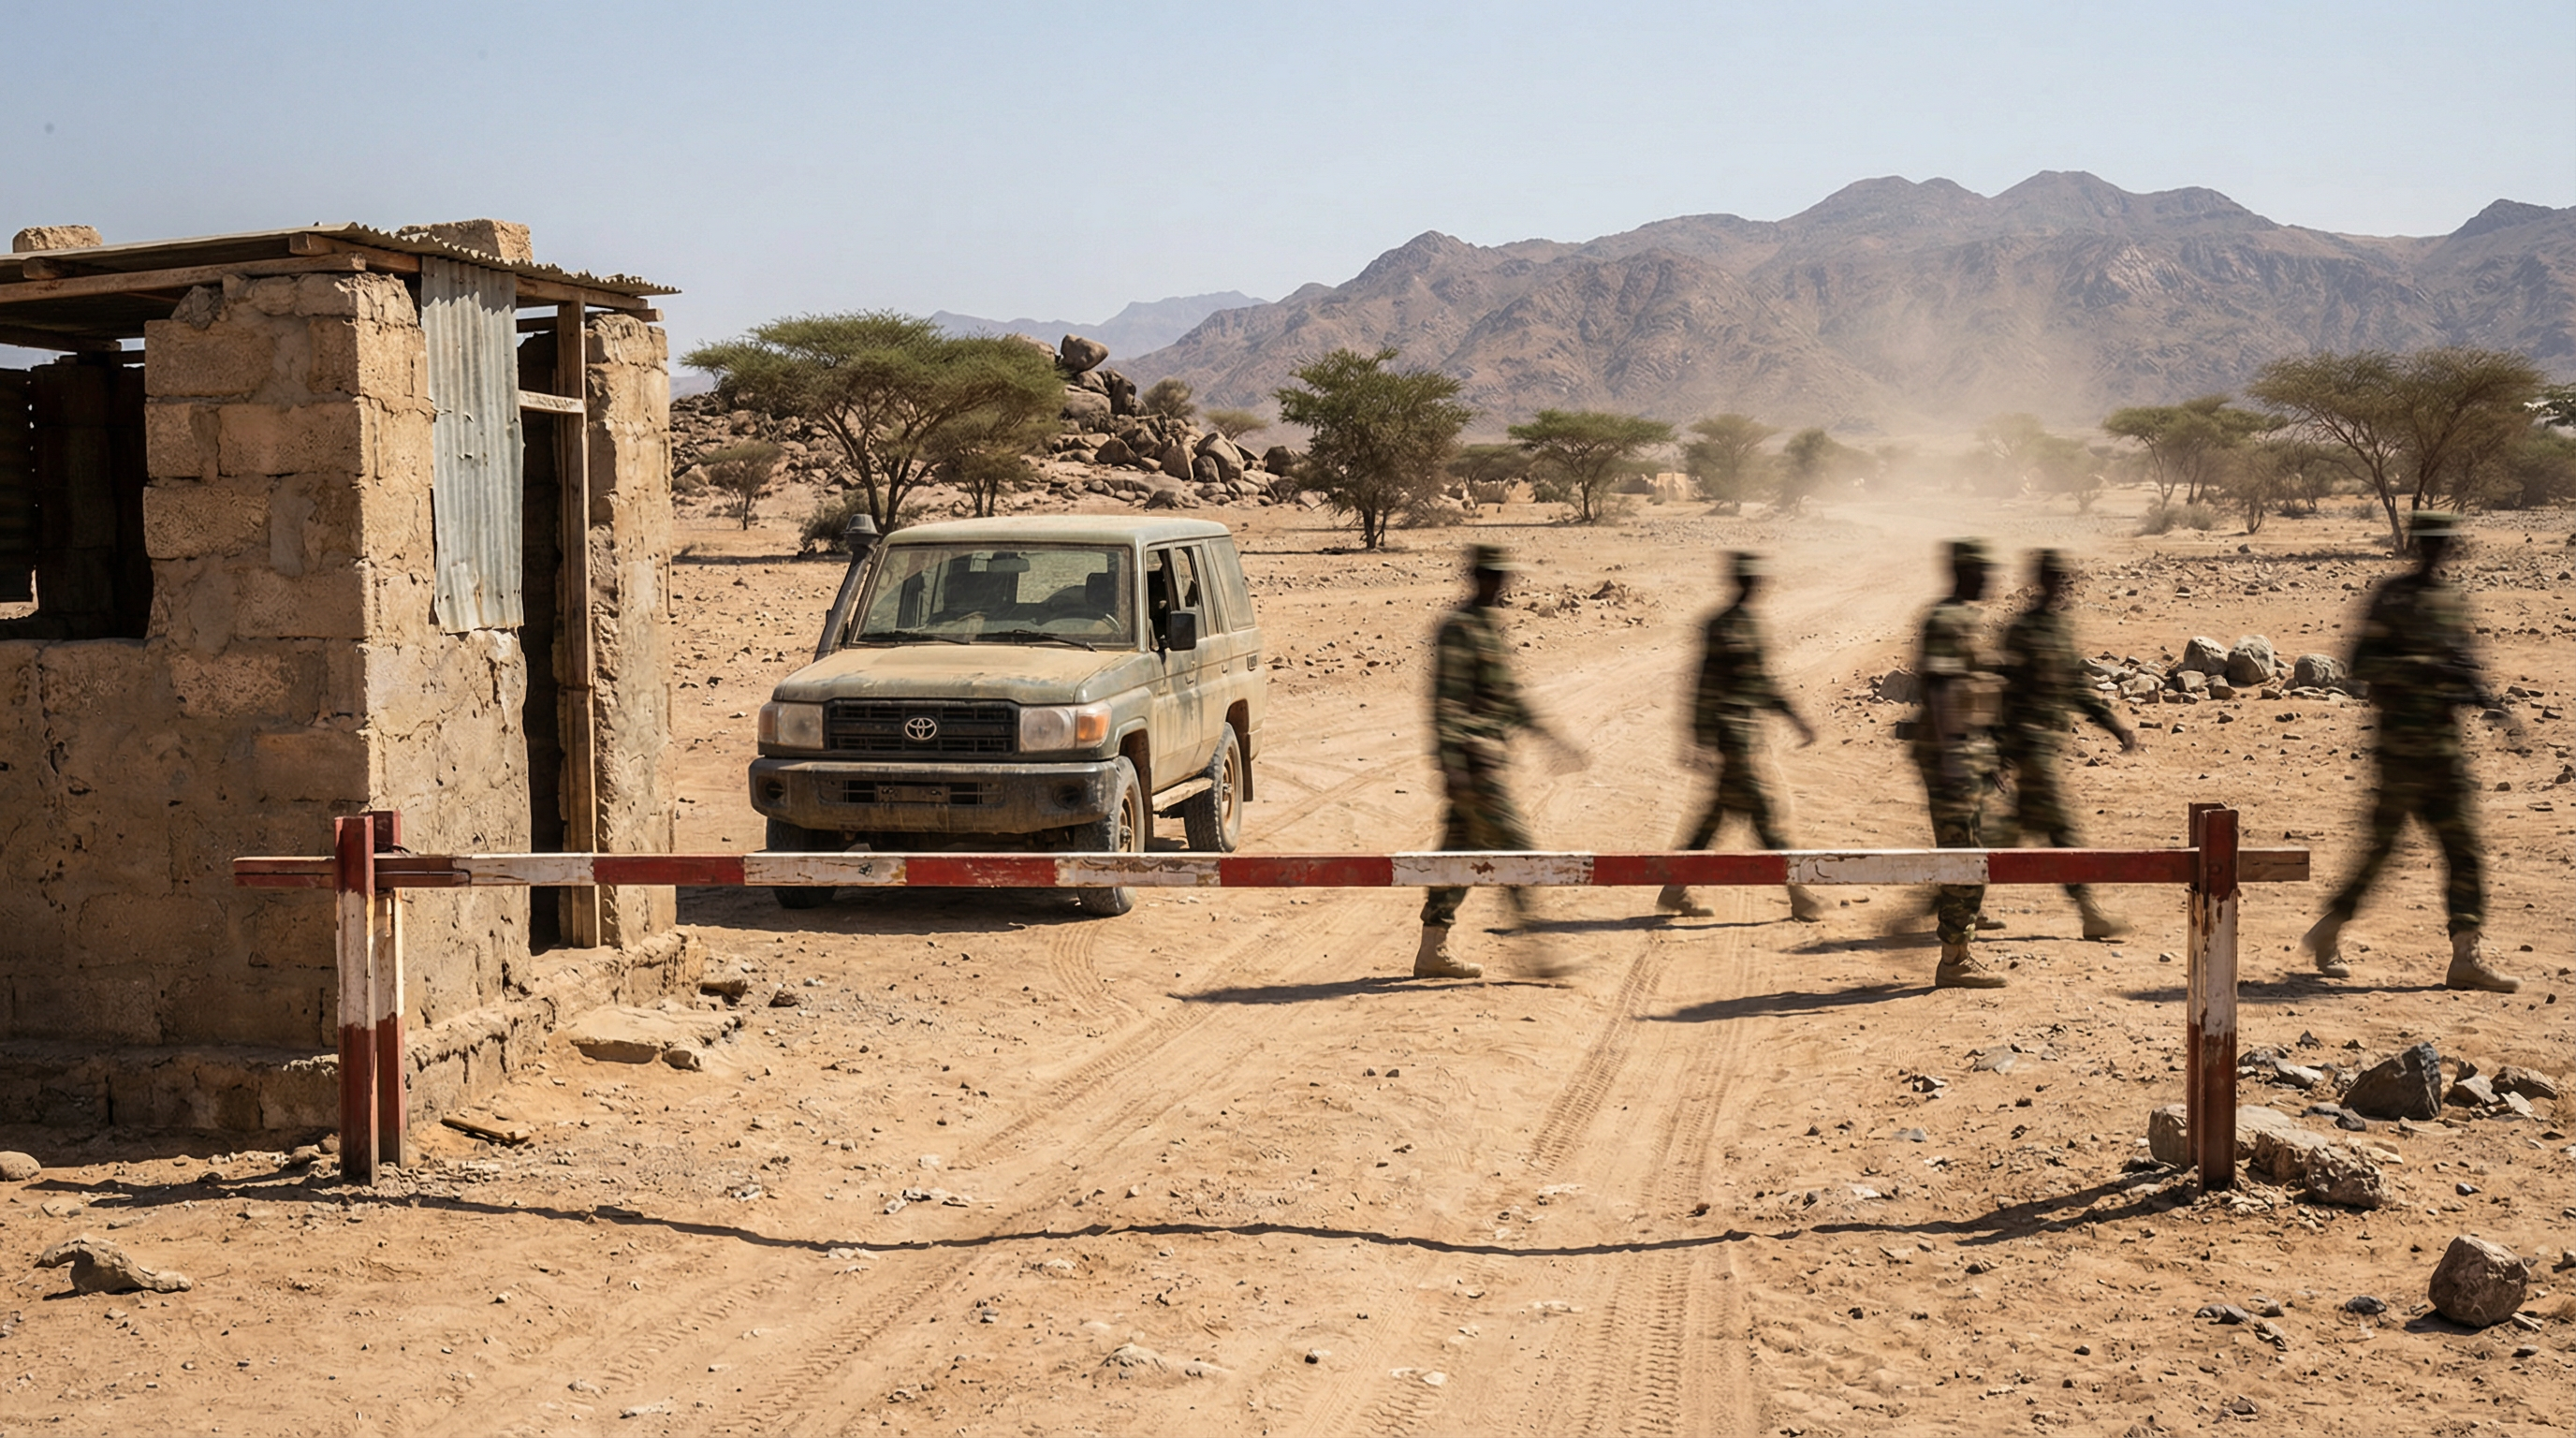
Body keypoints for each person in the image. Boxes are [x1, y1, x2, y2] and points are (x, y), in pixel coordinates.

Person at [2302, 510, 2525, 992]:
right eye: (2430, 544)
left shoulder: (2451, 600)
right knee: (2382, 851)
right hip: (2400, 749)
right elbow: (2361, 664)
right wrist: (2426, 670)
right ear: (2417, 547)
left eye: (2444, 544)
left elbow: (2464, 665)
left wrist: (2482, 696)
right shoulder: (2391, 597)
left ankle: (2466, 955)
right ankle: (2330, 928)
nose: (2436, 552)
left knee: (2464, 848)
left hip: (2444, 750)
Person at [1414, 543, 1586, 980]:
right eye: (1500, 577)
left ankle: (1433, 951)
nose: (1507, 585)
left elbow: (1508, 699)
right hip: (1475, 765)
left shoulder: (1489, 627)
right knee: (1518, 852)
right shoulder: (1460, 629)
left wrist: (1554, 739)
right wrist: (1452, 766)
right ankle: (1538, 953)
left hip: (1483, 762)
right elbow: (1446, 703)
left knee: (1456, 856)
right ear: (1483, 578)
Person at [1657, 550, 1826, 922]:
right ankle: (1799, 894)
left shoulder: (1750, 623)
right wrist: (1697, 739)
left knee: (1714, 817)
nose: (1758, 584)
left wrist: (1793, 716)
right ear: (1740, 581)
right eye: (1751, 578)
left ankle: (1673, 889)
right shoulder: (1722, 626)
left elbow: (1763, 682)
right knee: (1767, 813)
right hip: (1732, 738)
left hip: (1746, 735)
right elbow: (1703, 684)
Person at [1994, 549, 2141, 939]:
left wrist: (2114, 725)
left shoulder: (2058, 630)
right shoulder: (2020, 631)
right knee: (2063, 830)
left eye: (2067, 579)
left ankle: (1943, 899)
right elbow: (2000, 695)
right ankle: (2090, 913)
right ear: (2043, 580)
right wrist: (2000, 754)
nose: (2064, 586)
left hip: (2043, 747)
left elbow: (2076, 688)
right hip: (2029, 748)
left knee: (2002, 838)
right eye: (2058, 578)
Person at [1911, 539, 2009, 989]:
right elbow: (1941, 691)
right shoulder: (1948, 620)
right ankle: (1954, 963)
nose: (1990, 578)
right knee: (1964, 861)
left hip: (1965, 755)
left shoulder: (1960, 618)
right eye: (1982, 570)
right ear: (1965, 572)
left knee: (1969, 854)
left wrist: (1986, 755)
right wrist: (1955, 754)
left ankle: (1959, 943)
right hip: (1952, 759)